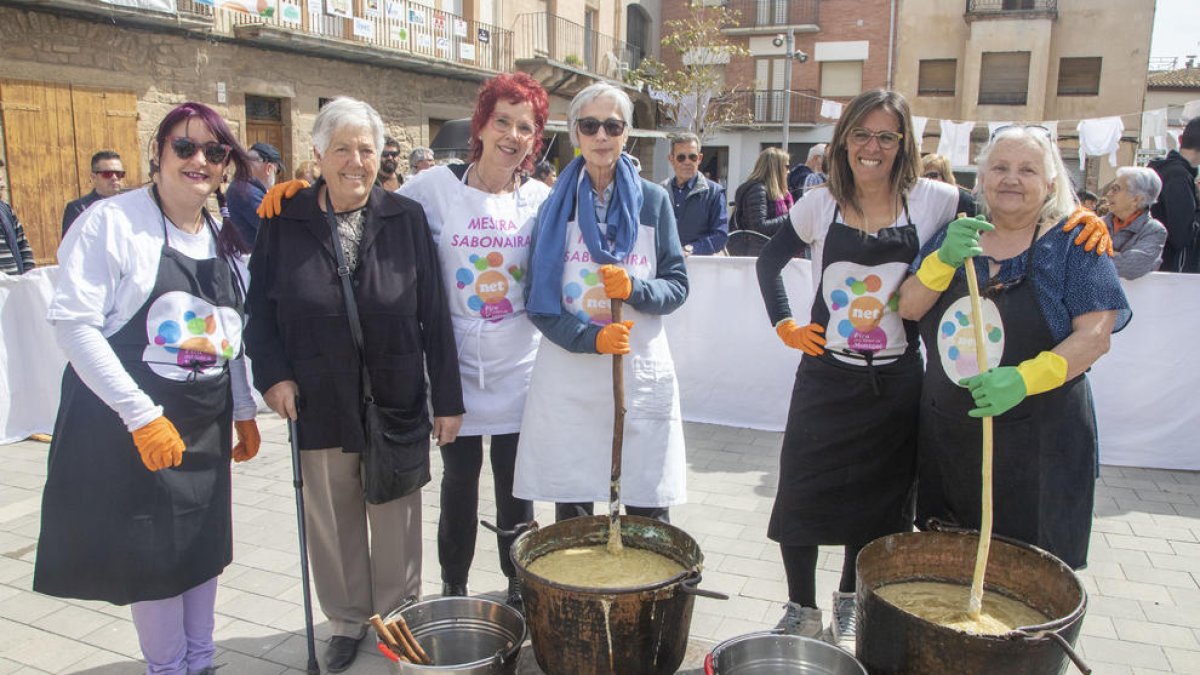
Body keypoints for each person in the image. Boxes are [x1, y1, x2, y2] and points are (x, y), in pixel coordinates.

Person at [34, 102, 261, 675]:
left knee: (202, 550)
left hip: (202, 425)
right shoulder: (112, 223)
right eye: (184, 147)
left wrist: (242, 409)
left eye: (214, 151)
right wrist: (139, 415)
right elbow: (74, 325)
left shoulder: (224, 235)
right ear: (156, 155)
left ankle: (203, 662)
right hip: (134, 426)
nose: (199, 161)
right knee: (155, 558)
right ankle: (169, 669)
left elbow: (227, 332)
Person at [244, 97, 463, 673]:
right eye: (341, 148)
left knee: (397, 517)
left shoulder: (405, 218)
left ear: (380, 156)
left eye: (366, 149)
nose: (355, 161)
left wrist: (449, 400)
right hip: (317, 396)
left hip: (396, 397)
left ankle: (396, 620)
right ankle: (345, 619)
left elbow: (435, 315)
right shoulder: (283, 221)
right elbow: (258, 311)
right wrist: (273, 377)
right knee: (333, 518)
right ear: (317, 155)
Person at [755, 89, 961, 648]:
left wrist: (1072, 219)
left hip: (896, 379)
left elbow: (1012, 214)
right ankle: (801, 608)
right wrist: (786, 325)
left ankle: (849, 601)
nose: (872, 147)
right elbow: (769, 261)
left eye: (886, 136)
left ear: (904, 143)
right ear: (844, 138)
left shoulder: (937, 201)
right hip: (825, 374)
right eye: (862, 134)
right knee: (801, 488)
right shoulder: (819, 202)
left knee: (879, 499)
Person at [898, 125, 1131, 571]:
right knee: (947, 571)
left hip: (1041, 442)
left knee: (1030, 579)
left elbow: (1096, 335)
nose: (1011, 179)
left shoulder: (1074, 242)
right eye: (1000, 168)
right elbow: (908, 307)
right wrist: (940, 262)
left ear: (1050, 183)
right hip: (952, 438)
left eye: (1027, 170)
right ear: (982, 178)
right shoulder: (955, 234)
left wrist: (1024, 379)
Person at [397, 72, 551, 608]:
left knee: (517, 484)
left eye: (525, 127)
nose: (512, 134)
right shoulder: (434, 188)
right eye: (502, 121)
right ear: (481, 125)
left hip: (521, 365)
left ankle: (518, 583)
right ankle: (454, 584)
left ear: (536, 139)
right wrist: (303, 192)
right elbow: (373, 211)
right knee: (459, 484)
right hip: (454, 367)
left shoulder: (540, 199)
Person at [515, 82, 689, 525]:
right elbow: (540, 303)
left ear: (626, 133)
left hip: (637, 372)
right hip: (570, 378)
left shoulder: (654, 201)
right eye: (590, 125)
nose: (601, 136)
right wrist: (592, 339)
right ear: (575, 133)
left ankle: (651, 595)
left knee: (647, 508)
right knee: (574, 514)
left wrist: (635, 289)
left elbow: (677, 285)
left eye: (612, 125)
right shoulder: (553, 205)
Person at [661, 131, 728, 255]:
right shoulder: (660, 192)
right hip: (665, 266)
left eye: (692, 157)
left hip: (701, 266)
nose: (687, 162)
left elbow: (720, 236)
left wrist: (690, 249)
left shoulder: (714, 192)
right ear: (671, 159)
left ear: (700, 158)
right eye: (681, 157)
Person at [1148, 117, 1200, 272]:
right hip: (1171, 271)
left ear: (1180, 139)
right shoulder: (1179, 176)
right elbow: (1182, 236)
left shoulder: (1161, 169)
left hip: (1156, 266)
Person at [1101, 167, 1167, 279]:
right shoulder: (1095, 223)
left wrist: (1094, 258)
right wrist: (1117, 256)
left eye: (1115, 189)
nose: (1108, 194)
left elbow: (1131, 268)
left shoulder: (1154, 230)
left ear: (1136, 199)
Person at [729, 147, 793, 256]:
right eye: (786, 167)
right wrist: (790, 216)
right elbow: (759, 227)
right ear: (775, 168)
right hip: (757, 255)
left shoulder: (778, 193)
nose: (788, 171)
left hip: (773, 251)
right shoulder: (757, 190)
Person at [226, 142, 282, 245]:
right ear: (269, 168)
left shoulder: (243, 187)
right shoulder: (246, 192)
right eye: (277, 171)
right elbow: (275, 228)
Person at [62, 150, 125, 234]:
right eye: (107, 174)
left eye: (119, 174)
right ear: (93, 177)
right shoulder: (79, 209)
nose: (114, 178)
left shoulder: (131, 204)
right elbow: (71, 244)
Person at [0, 158, 34, 275]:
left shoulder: (6, 210)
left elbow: (23, 245)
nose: (3, 185)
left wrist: (28, 277)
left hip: (13, 286)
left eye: (2, 179)